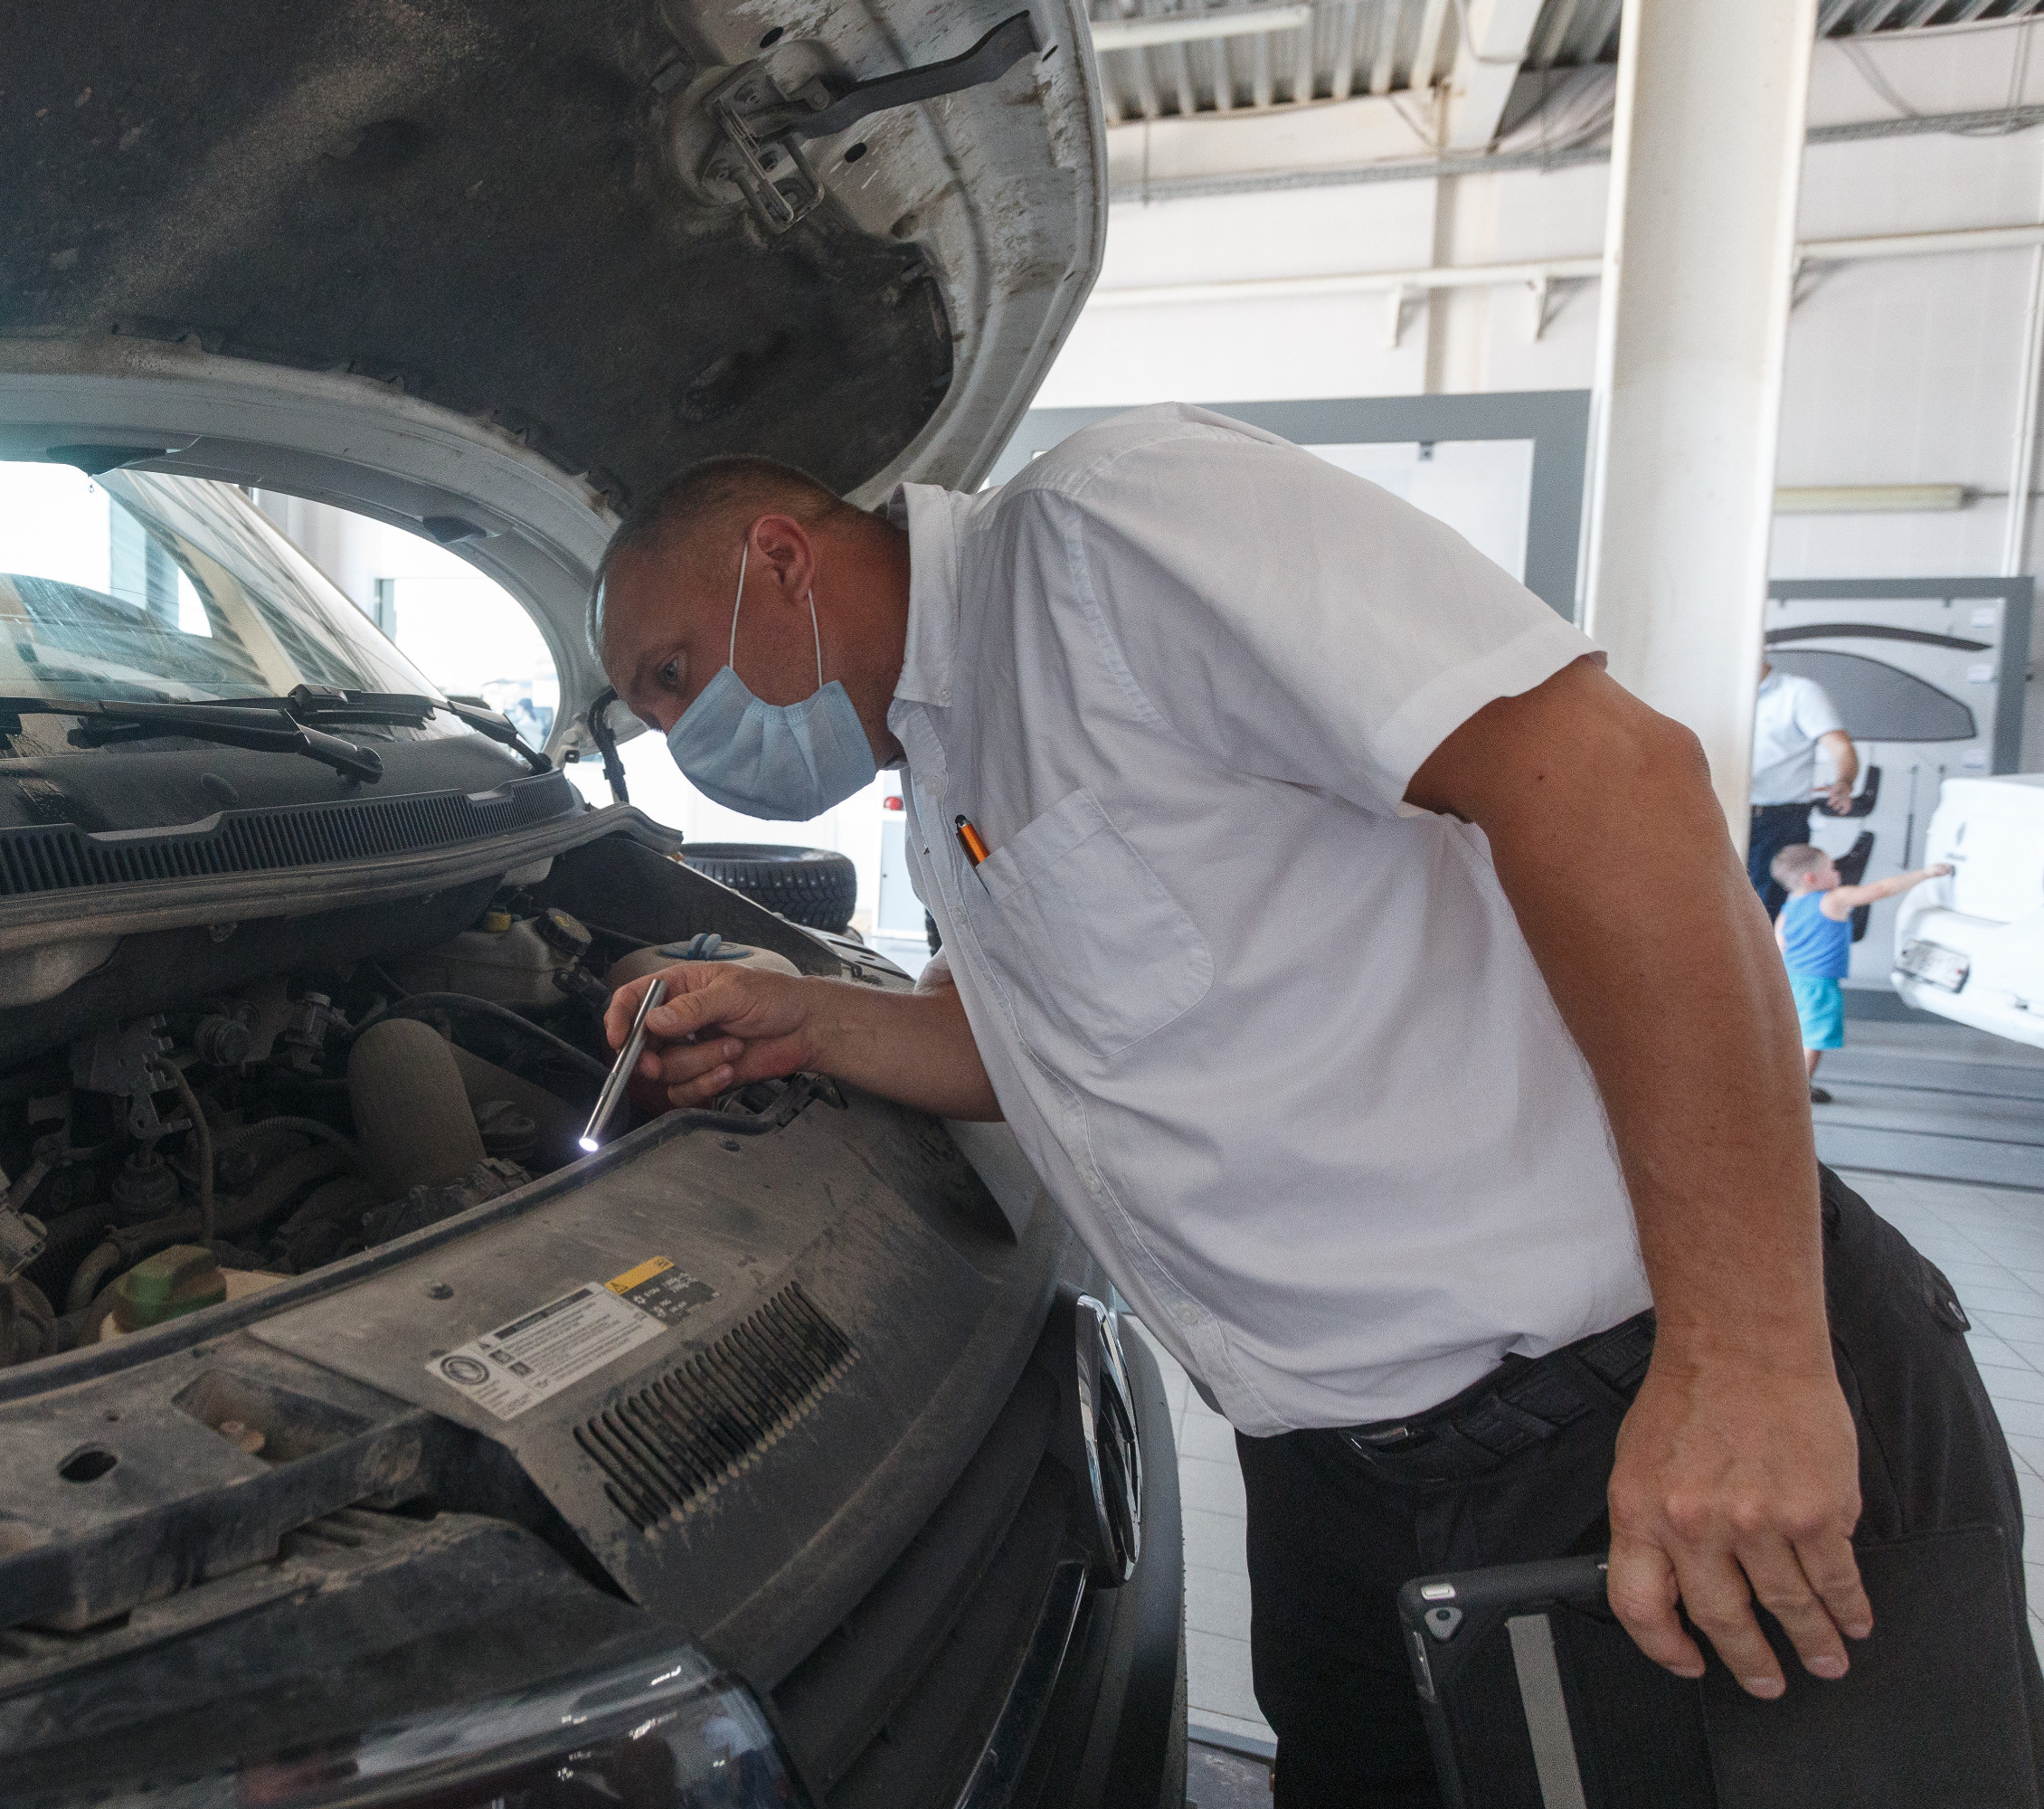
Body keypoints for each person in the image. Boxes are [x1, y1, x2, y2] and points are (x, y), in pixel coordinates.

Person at [587, 411, 2036, 1805]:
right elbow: (1067, 1050)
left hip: (1637, 1411)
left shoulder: (1109, 535)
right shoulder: (952, 751)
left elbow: (1613, 783)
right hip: (1343, 1493)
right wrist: (814, 1020)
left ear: (779, 557)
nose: (672, 733)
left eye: (670, 674)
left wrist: (1751, 1363)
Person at [1771, 844, 1952, 1103]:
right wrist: (1926, 874)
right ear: (1811, 878)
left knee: (1794, 1035)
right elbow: (1880, 890)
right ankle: (1797, 1092)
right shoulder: (1833, 898)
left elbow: (1780, 944)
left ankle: (1784, 1083)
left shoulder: (1789, 907)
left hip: (1790, 981)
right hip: (1818, 984)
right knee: (1814, 1039)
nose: (1838, 873)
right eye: (1832, 868)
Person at [1750, 660, 1859, 915]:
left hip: (1777, 822)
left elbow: (1841, 747)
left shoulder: (1798, 692)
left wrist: (1844, 781)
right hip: (1722, 813)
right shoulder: (1722, 692)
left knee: (1767, 910)